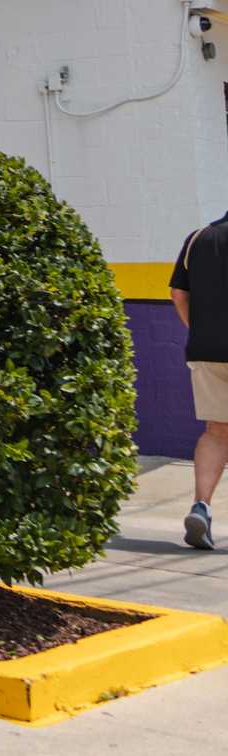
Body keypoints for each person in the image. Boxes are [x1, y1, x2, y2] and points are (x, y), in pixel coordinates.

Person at [172, 210, 228, 551]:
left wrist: (200, 331)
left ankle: (200, 507)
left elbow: (179, 294)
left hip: (207, 350)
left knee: (216, 431)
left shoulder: (199, 238)